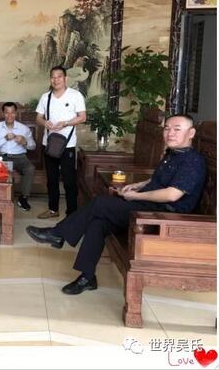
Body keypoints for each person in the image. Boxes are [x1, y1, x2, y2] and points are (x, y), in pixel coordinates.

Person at [25, 114, 206, 295]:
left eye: (177, 129)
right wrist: (138, 185)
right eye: (167, 129)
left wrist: (136, 196)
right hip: (150, 206)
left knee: (100, 204)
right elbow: (159, 180)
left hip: (165, 216)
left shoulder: (192, 161)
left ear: (191, 133)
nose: (170, 133)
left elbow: (172, 195)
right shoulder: (173, 154)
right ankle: (87, 277)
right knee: (98, 222)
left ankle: (57, 234)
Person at [35, 66, 86, 219]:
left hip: (67, 145)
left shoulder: (75, 95)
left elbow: (82, 117)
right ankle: (53, 209)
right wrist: (45, 123)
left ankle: (72, 214)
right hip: (49, 144)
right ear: (50, 79)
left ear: (65, 78)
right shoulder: (46, 97)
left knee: (69, 180)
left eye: (59, 76)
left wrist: (66, 123)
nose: (56, 80)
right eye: (53, 77)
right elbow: (38, 118)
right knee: (51, 179)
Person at [0, 102, 36, 211]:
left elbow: (33, 146)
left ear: (16, 113)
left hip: (20, 157)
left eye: (12, 112)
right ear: (3, 113)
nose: (10, 115)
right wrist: (5, 138)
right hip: (2, 156)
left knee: (30, 168)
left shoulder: (24, 128)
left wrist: (24, 142)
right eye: (7, 112)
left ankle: (23, 198)